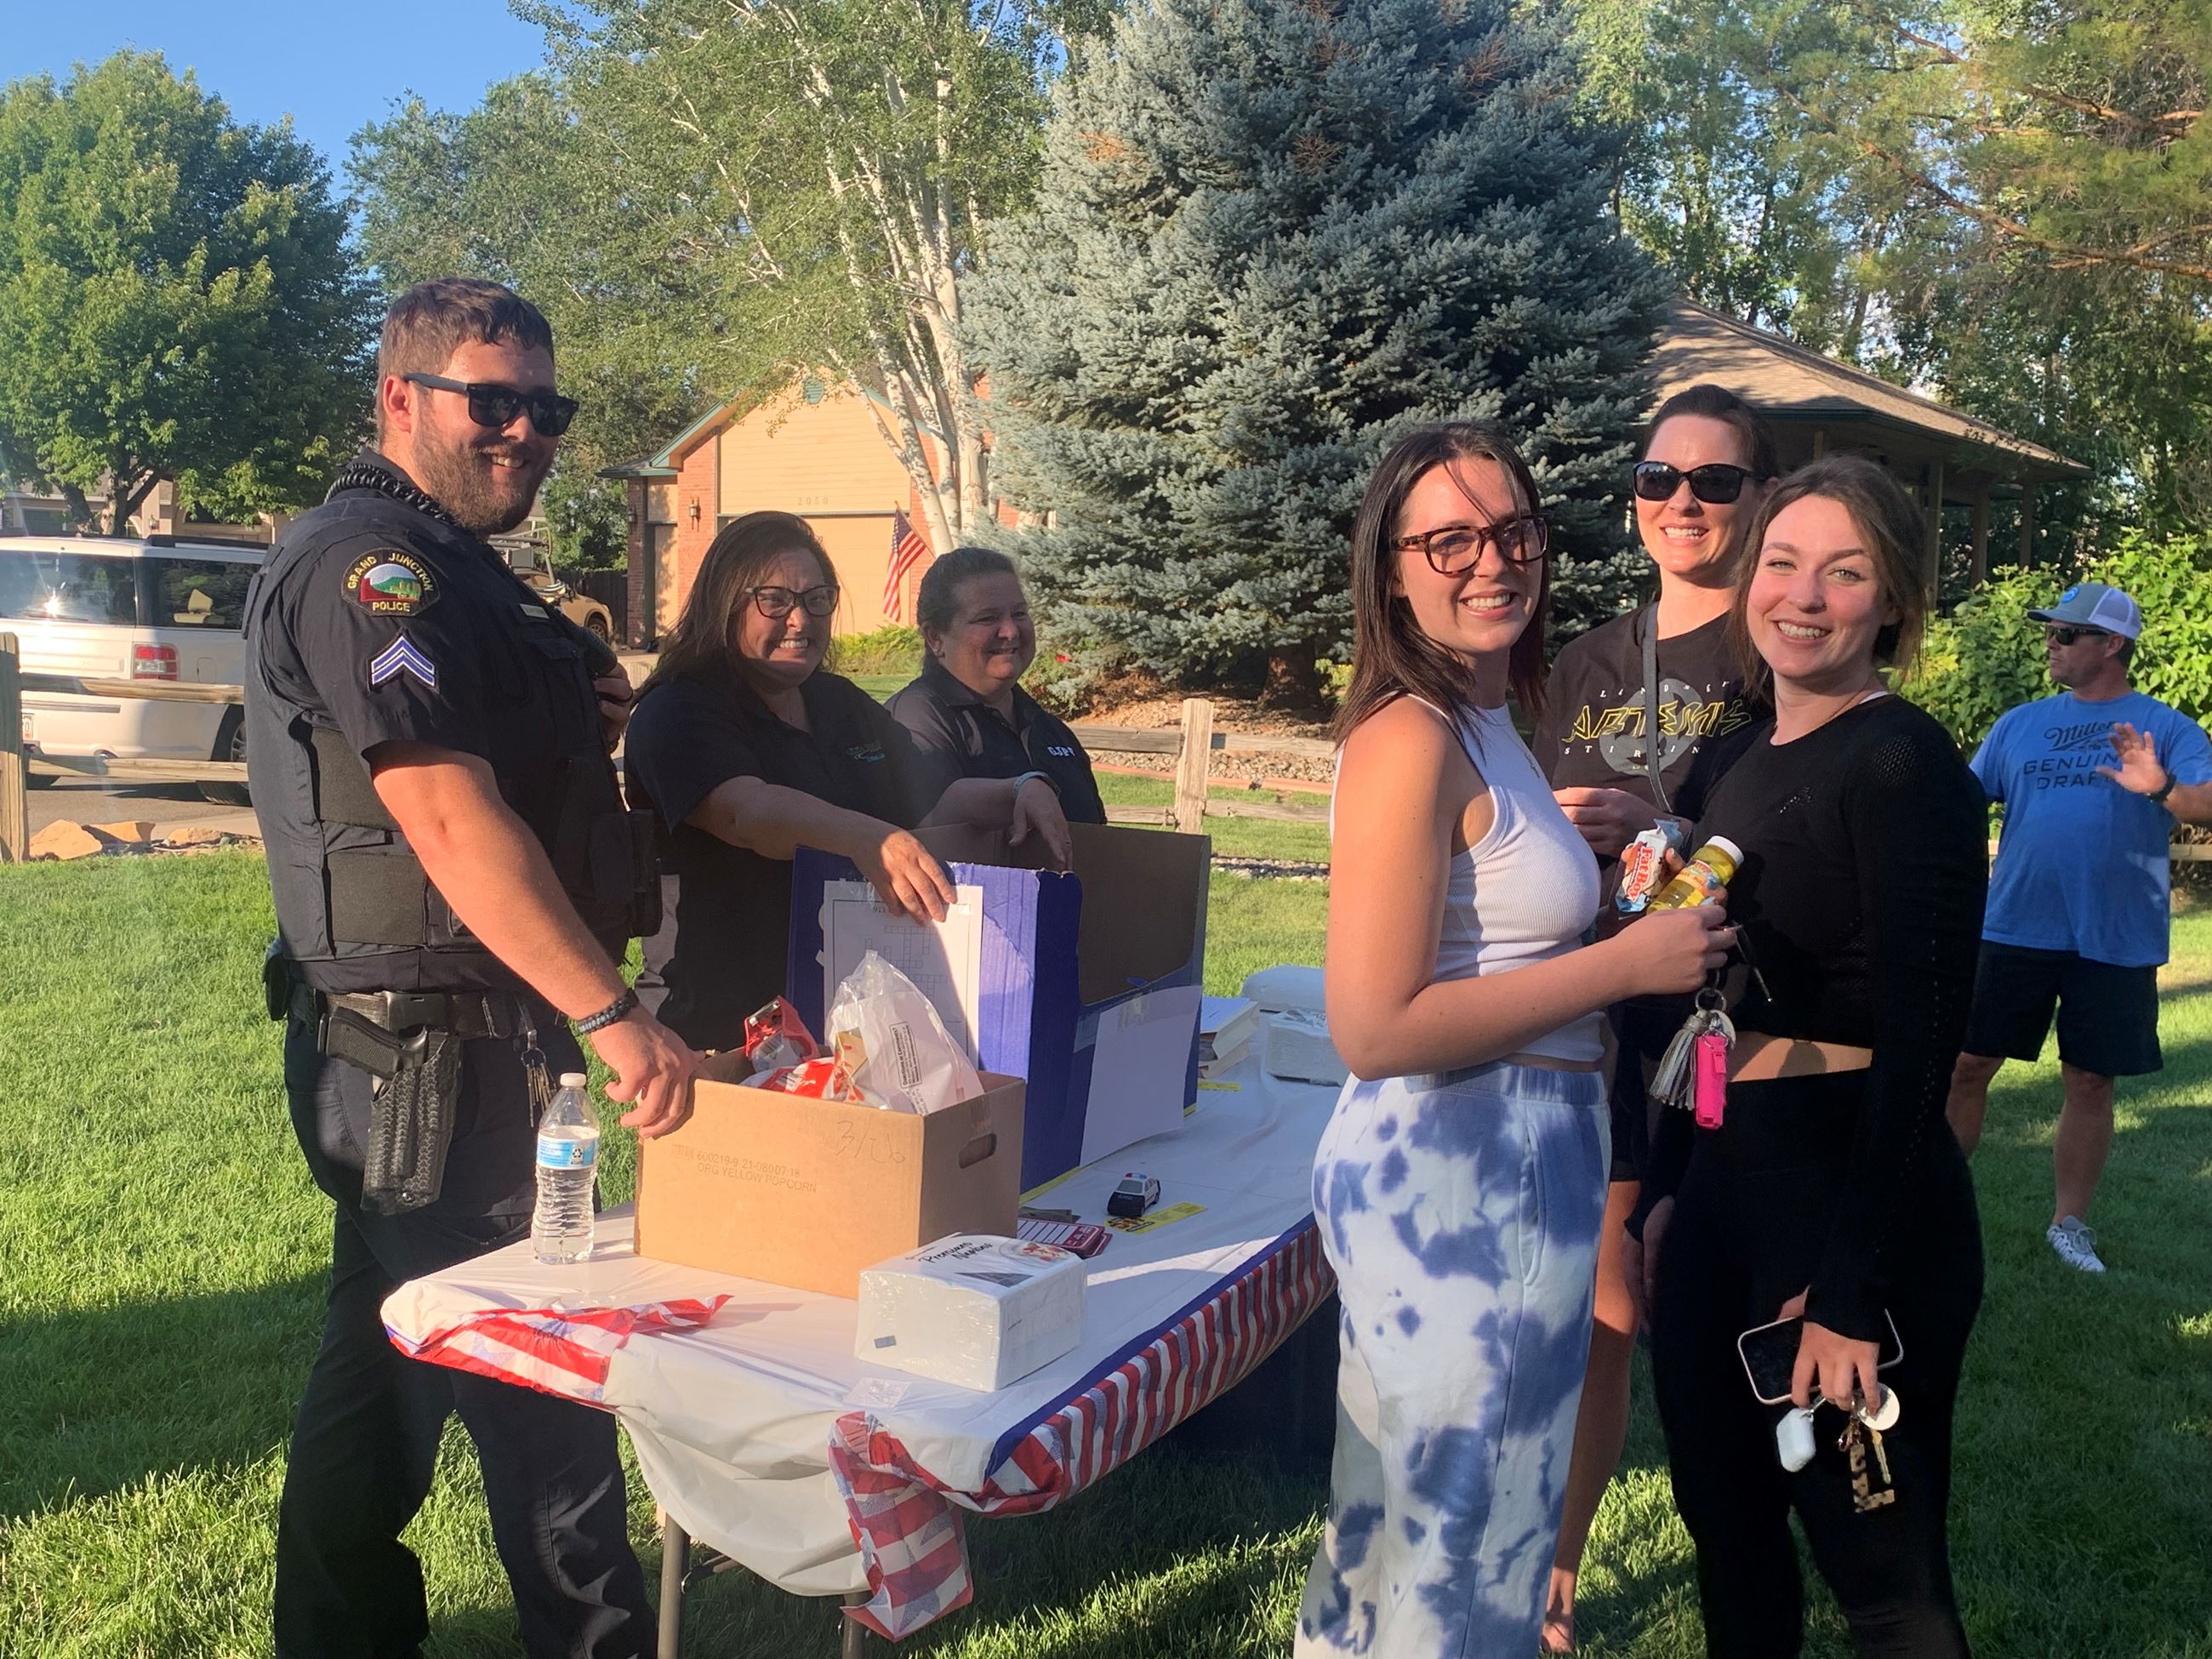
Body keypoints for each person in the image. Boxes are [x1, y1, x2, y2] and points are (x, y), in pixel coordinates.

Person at [246, 277, 698, 1659]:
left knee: (377, 1379)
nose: (525, 432)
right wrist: (614, 1018)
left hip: (437, 1054)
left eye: (545, 409)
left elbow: (524, 764)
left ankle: (336, 1637)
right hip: (429, 1061)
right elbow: (445, 816)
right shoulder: (364, 567)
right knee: (542, 1396)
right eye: (489, 401)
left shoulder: (462, 577)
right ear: (401, 395)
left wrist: (586, 709)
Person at [1296, 421, 1734, 1657]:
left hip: (1505, 1163)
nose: (1492, 561)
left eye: (1514, 530)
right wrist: (1622, 963)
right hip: (1463, 1175)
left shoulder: (1486, 715)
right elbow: (1373, 1024)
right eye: (1449, 539)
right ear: (1390, 567)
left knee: (1401, 1541)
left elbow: (1482, 928)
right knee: (1462, 1553)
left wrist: (1596, 851)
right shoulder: (1409, 734)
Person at [1633, 456, 1987, 1658]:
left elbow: (1925, 1040)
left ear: (1892, 599)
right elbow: (1709, 989)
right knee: (1726, 1537)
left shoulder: (1901, 763)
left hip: (1846, 1199)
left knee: (1878, 1575)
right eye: (1781, 563)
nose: (1804, 594)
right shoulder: (1742, 759)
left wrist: (1847, 1291)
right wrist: (1677, 1183)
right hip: (1728, 1188)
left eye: (1846, 572)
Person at [1531, 382, 1776, 1650]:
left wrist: (1670, 835)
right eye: (1659, 479)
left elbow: (1796, 851)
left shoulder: (1779, 654)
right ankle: (1542, 1559)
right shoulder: (1583, 657)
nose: (1683, 502)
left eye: (1716, 481)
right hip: (1570, 1007)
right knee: (1569, 1303)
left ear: (1755, 497)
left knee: (1640, 1306)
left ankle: (1610, 1574)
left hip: (1699, 1027)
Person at [623, 513, 1073, 1052]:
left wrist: (1018, 789)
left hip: (836, 1017)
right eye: (775, 600)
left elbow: (925, 792)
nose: (800, 619)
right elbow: (746, 813)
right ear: (726, 601)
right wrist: (868, 839)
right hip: (716, 1028)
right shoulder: (678, 708)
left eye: (817, 599)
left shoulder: (836, 702)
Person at [1945, 582, 2212, 1272]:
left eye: (2066, 634)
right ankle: (1930, 1203)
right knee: (1967, 1065)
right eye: (2052, 632)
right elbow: (1961, 805)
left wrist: (2160, 789)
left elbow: (2205, 804)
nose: (2051, 644)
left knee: (2090, 1080)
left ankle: (2070, 1225)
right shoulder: (2019, 724)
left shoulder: (2168, 727)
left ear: (2111, 645)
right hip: (2014, 927)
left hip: (2114, 938)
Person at [885, 545, 1107, 825]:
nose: (1011, 631)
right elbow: (929, 833)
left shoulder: (1049, 728)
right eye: (988, 618)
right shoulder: (916, 718)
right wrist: (1014, 791)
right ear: (935, 637)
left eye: (1019, 614)